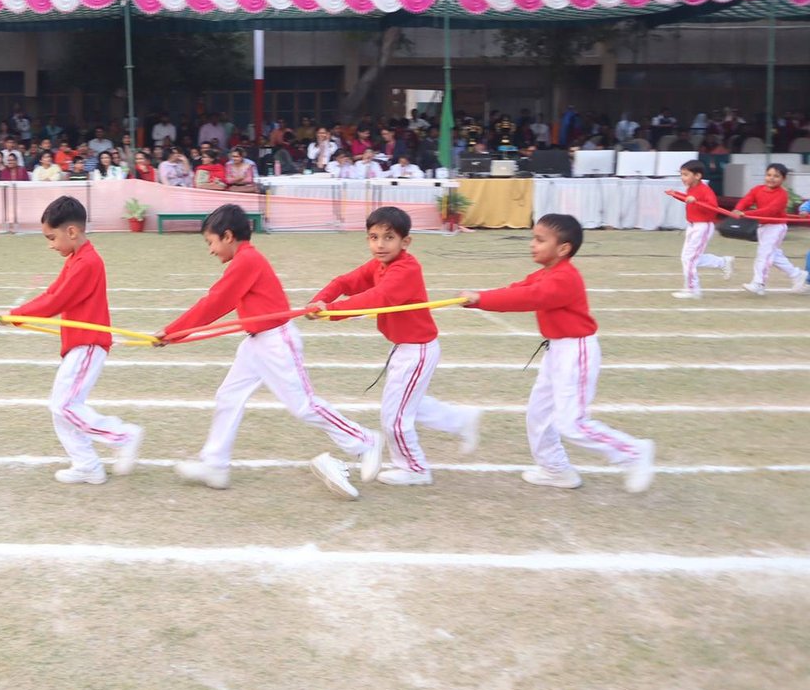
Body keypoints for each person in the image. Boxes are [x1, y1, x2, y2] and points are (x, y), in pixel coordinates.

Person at [159, 204, 381, 497]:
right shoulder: (243, 260)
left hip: (276, 341)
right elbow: (218, 302)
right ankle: (215, 465)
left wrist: (173, 332)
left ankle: (365, 440)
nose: (210, 250)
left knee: (304, 406)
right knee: (228, 395)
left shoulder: (246, 260)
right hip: (256, 343)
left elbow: (216, 302)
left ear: (228, 236)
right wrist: (174, 333)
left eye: (210, 242)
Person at [460, 213, 655, 492]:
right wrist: (479, 297)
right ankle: (556, 470)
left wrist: (482, 300)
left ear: (563, 248)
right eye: (533, 238)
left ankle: (634, 452)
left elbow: (528, 298)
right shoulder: (546, 273)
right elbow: (520, 288)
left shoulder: (564, 278)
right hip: (557, 351)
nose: (532, 244)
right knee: (538, 414)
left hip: (576, 352)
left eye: (540, 240)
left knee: (571, 423)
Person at [308, 207, 478, 485]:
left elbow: (377, 298)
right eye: (373, 237)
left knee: (394, 417)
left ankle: (415, 469)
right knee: (409, 405)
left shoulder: (406, 269)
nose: (380, 244)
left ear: (405, 241)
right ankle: (461, 420)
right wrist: (320, 300)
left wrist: (332, 311)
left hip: (417, 350)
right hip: (404, 347)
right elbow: (345, 282)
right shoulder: (379, 265)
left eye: (389, 238)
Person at [2, 196, 144, 485]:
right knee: (61, 407)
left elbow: (57, 301)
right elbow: (51, 293)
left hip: (88, 344)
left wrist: (15, 316)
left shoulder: (87, 262)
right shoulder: (75, 260)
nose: (50, 245)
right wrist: (13, 314)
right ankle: (86, 465)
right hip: (78, 345)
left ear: (72, 231)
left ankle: (122, 435)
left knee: (64, 406)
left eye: (51, 238)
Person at [733, 163, 807, 295]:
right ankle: (797, 274)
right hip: (763, 226)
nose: (771, 178)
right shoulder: (757, 189)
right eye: (769, 175)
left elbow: (769, 211)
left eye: (776, 176)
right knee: (773, 255)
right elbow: (746, 200)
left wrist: (745, 214)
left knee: (763, 254)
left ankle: (758, 283)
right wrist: (738, 209)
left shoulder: (782, 195)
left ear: (783, 179)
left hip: (776, 227)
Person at [669, 160, 734, 299]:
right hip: (692, 225)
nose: (682, 178)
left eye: (686, 174)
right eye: (681, 174)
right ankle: (722, 262)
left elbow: (713, 209)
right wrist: (675, 194)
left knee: (689, 258)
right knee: (690, 258)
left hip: (702, 226)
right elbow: (689, 199)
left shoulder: (705, 190)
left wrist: (696, 202)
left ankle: (693, 290)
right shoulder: (690, 188)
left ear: (697, 176)